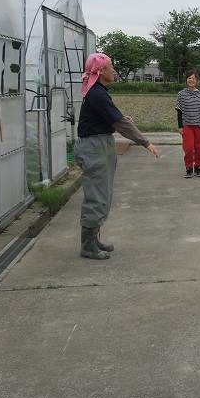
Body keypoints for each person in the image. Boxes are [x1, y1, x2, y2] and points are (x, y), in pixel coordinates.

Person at [75, 53, 159, 260]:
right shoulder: (97, 94)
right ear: (100, 71)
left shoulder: (98, 92)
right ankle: (87, 245)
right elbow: (121, 125)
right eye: (110, 67)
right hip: (95, 147)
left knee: (101, 193)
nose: (113, 70)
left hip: (99, 143)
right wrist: (145, 142)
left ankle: (93, 239)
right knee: (97, 194)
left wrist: (121, 119)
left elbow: (113, 118)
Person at [175, 69, 200, 178]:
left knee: (199, 148)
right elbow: (179, 111)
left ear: (197, 80)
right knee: (189, 148)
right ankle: (189, 168)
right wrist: (180, 126)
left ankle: (198, 168)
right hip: (187, 125)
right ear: (186, 80)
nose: (191, 80)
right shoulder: (181, 94)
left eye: (193, 78)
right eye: (189, 78)